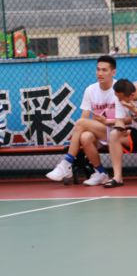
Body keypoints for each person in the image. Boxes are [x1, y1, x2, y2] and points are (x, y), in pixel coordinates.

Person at [46, 55, 118, 186]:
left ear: (113, 72)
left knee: (80, 123)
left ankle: (66, 164)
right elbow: (84, 116)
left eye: (104, 70)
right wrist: (78, 135)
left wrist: (107, 121)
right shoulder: (90, 90)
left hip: (117, 131)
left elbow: (126, 118)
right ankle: (101, 173)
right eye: (98, 69)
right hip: (100, 132)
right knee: (85, 137)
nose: (100, 73)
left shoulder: (118, 89)